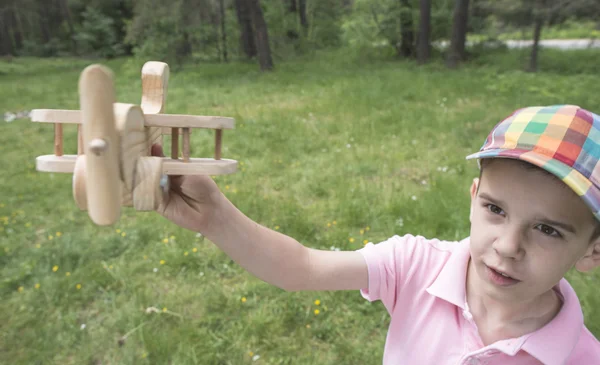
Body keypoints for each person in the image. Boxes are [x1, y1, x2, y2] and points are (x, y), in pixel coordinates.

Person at [152, 104, 600, 364]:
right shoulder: (417, 266)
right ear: (473, 197)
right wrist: (212, 216)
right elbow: (300, 267)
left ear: (592, 250)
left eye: (547, 229)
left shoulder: (582, 357)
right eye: (495, 210)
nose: (508, 246)